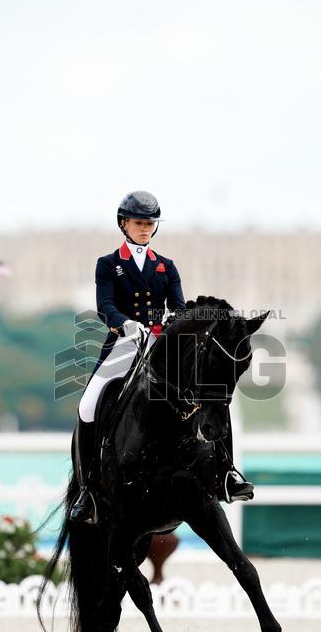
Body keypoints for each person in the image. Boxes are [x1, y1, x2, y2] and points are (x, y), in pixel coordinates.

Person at [68, 190, 254, 524]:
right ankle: (88, 489)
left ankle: (227, 473)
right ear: (124, 224)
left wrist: (173, 328)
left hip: (160, 345)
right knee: (87, 405)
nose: (145, 228)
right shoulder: (109, 265)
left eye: (150, 223)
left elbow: (180, 308)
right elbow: (105, 306)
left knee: (210, 395)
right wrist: (125, 324)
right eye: (139, 222)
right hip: (124, 344)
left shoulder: (165, 267)